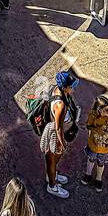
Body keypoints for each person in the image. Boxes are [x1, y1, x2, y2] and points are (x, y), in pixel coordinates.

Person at [39, 70, 80, 199]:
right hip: (55, 137)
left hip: (55, 133)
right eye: (71, 86)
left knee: (53, 161)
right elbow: (58, 128)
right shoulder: (60, 105)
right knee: (52, 160)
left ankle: (52, 175)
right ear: (64, 87)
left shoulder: (55, 89)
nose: (73, 88)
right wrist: (62, 144)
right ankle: (52, 185)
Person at [82, 93, 108, 191]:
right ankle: (88, 174)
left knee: (101, 162)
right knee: (91, 159)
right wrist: (97, 129)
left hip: (105, 148)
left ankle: (98, 179)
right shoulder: (93, 116)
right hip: (93, 144)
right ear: (98, 110)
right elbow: (88, 126)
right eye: (106, 110)